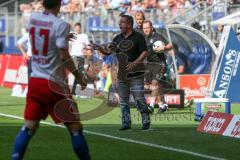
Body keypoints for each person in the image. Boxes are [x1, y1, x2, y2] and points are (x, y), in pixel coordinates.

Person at [12, 1, 92, 160]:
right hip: (53, 84)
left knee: (29, 126)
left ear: (42, 3)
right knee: (75, 127)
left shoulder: (33, 18)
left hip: (35, 81)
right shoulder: (61, 25)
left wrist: (61, 36)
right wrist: (79, 77)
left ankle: (15, 158)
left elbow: (43, 35)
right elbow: (63, 55)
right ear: (59, 4)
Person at [91, 15, 151, 131]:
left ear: (129, 24)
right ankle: (126, 123)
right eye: (120, 22)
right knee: (123, 101)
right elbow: (108, 52)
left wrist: (135, 63)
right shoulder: (117, 38)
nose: (120, 24)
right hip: (122, 74)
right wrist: (99, 48)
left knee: (139, 98)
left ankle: (145, 120)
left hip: (136, 74)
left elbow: (145, 52)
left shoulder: (139, 37)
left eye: (122, 22)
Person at [142, 20, 172, 112]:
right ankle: (162, 105)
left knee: (155, 83)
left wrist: (164, 48)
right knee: (152, 85)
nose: (146, 30)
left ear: (151, 27)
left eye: (147, 28)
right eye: (144, 28)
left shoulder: (158, 37)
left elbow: (170, 45)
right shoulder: (143, 38)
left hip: (159, 63)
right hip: (149, 64)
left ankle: (150, 106)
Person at [69, 22, 90, 95]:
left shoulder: (84, 36)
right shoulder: (72, 35)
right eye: (76, 28)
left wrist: (86, 52)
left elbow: (88, 47)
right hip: (74, 56)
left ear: (80, 28)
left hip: (81, 57)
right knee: (77, 72)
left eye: (79, 28)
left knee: (78, 73)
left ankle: (73, 90)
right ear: (74, 28)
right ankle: (77, 88)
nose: (77, 29)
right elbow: (67, 45)